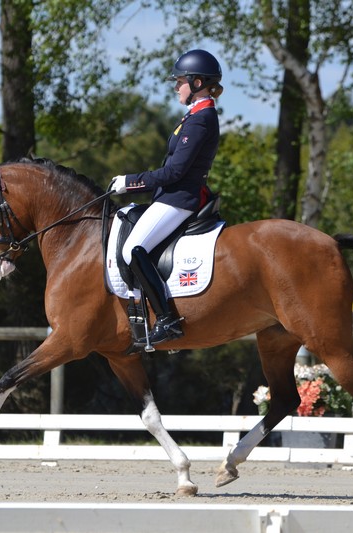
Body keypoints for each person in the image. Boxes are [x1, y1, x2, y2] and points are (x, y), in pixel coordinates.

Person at [109, 49, 223, 346]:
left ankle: (168, 320)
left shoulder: (201, 119)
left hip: (179, 198)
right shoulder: (194, 116)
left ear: (197, 82)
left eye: (180, 81)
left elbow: (173, 172)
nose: (176, 86)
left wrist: (129, 182)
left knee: (133, 249)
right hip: (172, 195)